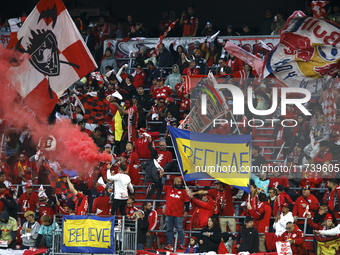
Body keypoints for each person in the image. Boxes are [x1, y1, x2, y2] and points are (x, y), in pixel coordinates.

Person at [163, 177, 190, 251]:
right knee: (169, 229)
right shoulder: (168, 189)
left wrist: (186, 211)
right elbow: (159, 186)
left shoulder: (184, 192)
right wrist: (160, 177)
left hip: (178, 214)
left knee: (180, 229)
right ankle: (169, 244)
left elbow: (187, 202)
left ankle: (182, 244)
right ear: (174, 182)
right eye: (177, 181)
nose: (179, 183)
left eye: (180, 182)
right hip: (169, 213)